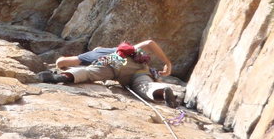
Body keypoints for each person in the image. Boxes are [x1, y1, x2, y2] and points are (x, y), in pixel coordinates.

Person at [37, 40, 178, 107]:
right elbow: (150, 43)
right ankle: (162, 93)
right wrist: (168, 63)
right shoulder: (124, 49)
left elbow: (62, 62)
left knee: (88, 73)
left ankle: (63, 77)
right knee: (144, 85)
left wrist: (59, 65)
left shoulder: (93, 54)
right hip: (138, 67)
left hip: (113, 63)